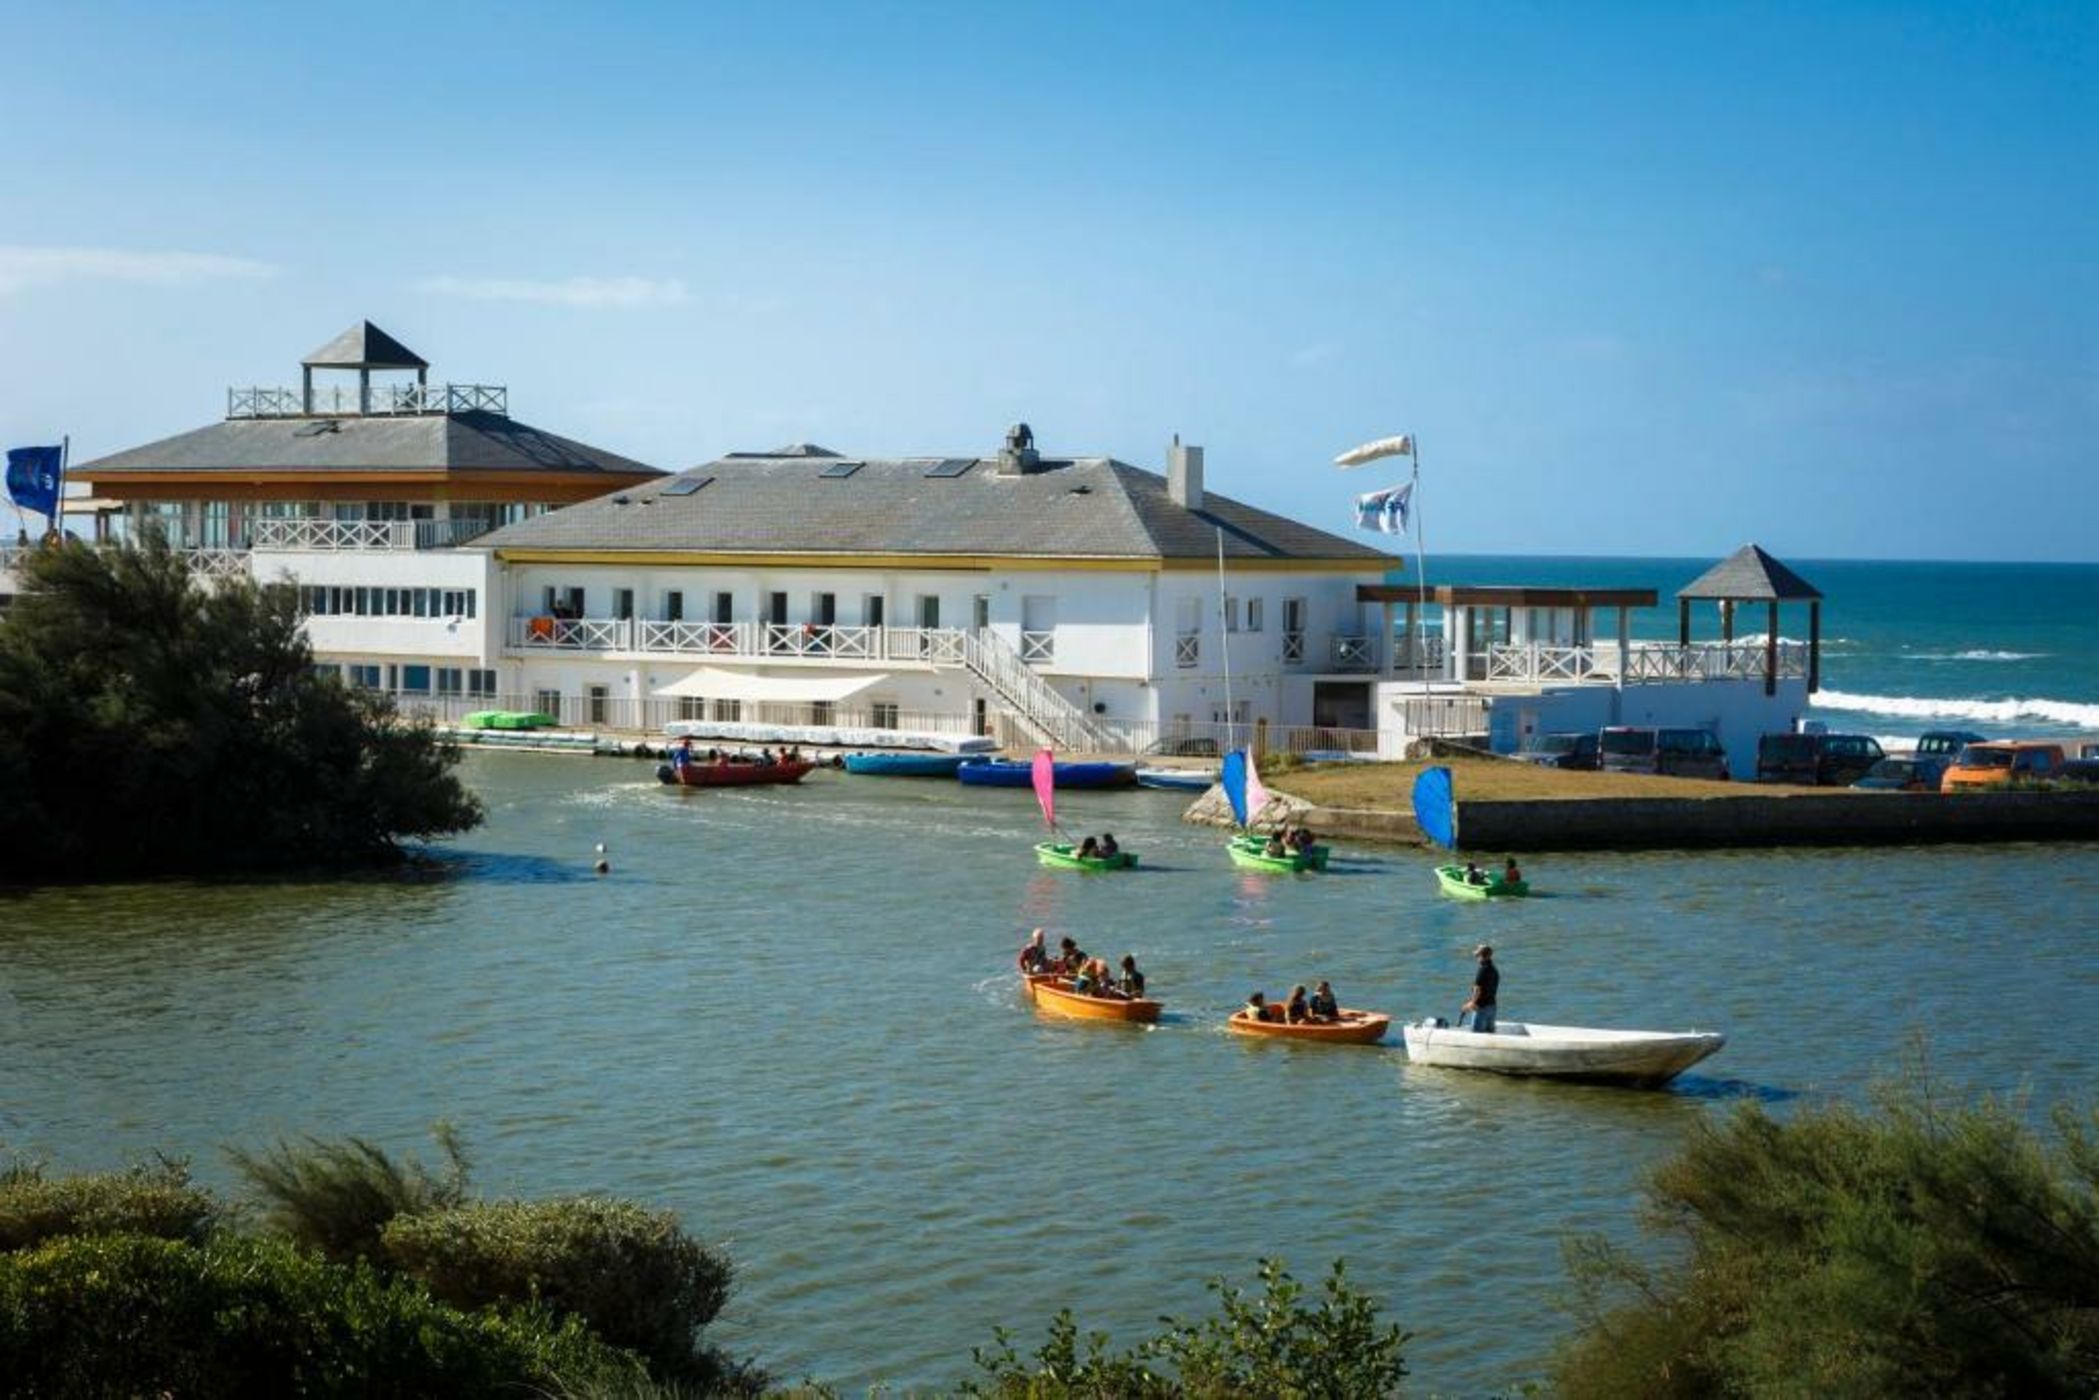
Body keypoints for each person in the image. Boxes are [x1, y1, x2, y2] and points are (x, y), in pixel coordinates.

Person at [1461, 944, 1500, 1033]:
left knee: (1477, 1034)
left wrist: (1471, 1003)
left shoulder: (1482, 970)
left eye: (1477, 956)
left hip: (1481, 1009)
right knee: (1490, 1033)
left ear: (1481, 956)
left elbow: (1477, 989)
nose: (1477, 959)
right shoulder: (1494, 970)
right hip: (1492, 1007)